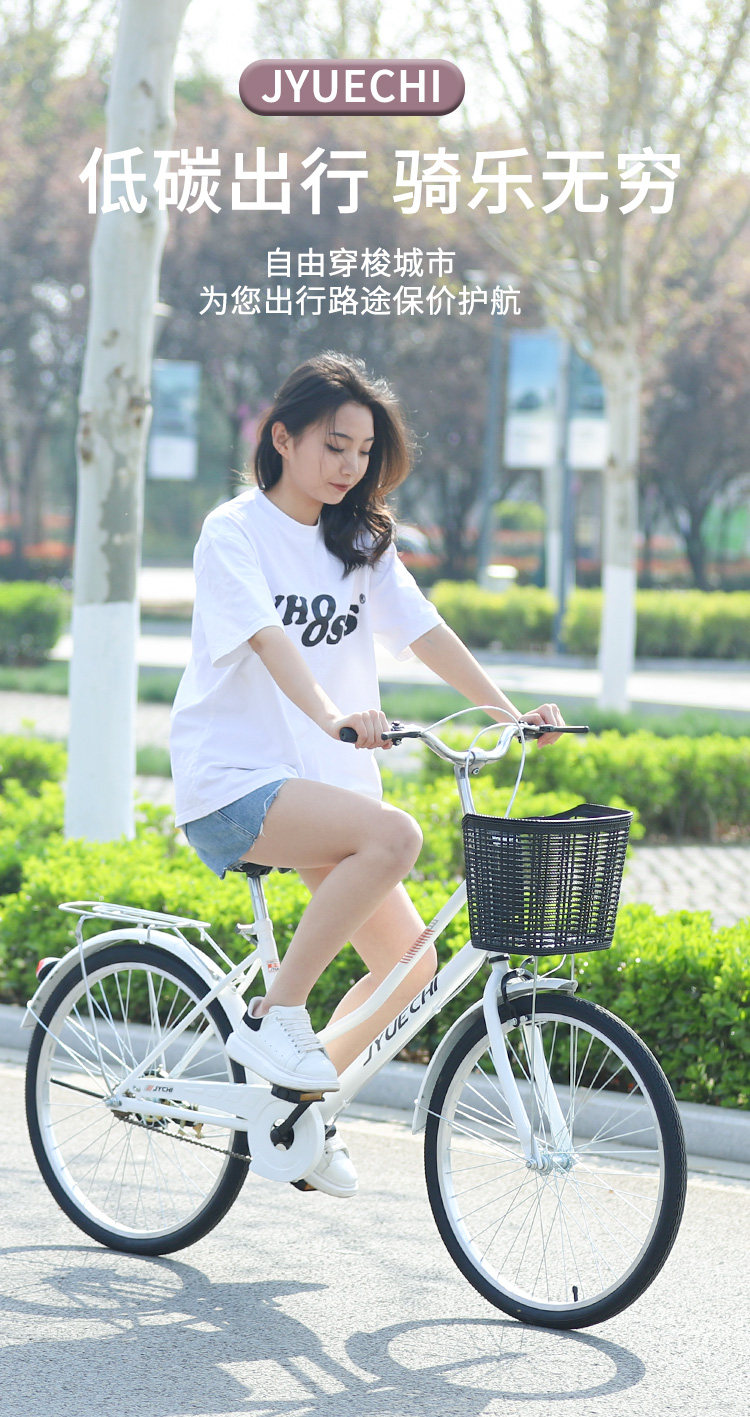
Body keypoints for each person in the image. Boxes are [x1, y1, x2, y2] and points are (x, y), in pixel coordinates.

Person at [170, 351, 564, 1199]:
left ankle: (295, 1108)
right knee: (396, 836)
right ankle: (276, 1015)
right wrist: (330, 716)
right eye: (334, 445)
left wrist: (508, 713)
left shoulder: (359, 541)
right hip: (233, 780)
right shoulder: (233, 532)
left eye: (362, 451)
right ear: (282, 438)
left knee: (410, 968)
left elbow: (424, 630)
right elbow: (269, 639)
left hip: (322, 790)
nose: (350, 465)